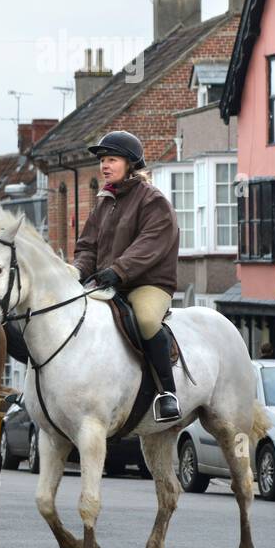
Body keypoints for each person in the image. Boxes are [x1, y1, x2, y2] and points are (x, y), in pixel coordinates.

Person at [72, 130, 182, 422]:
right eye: (102, 161)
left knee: (146, 320)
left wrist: (117, 271)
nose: (104, 166)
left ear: (130, 163)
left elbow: (151, 245)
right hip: (110, 282)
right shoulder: (104, 202)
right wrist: (77, 270)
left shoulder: (153, 200)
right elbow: (87, 246)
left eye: (111, 159)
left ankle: (167, 393)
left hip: (148, 283)